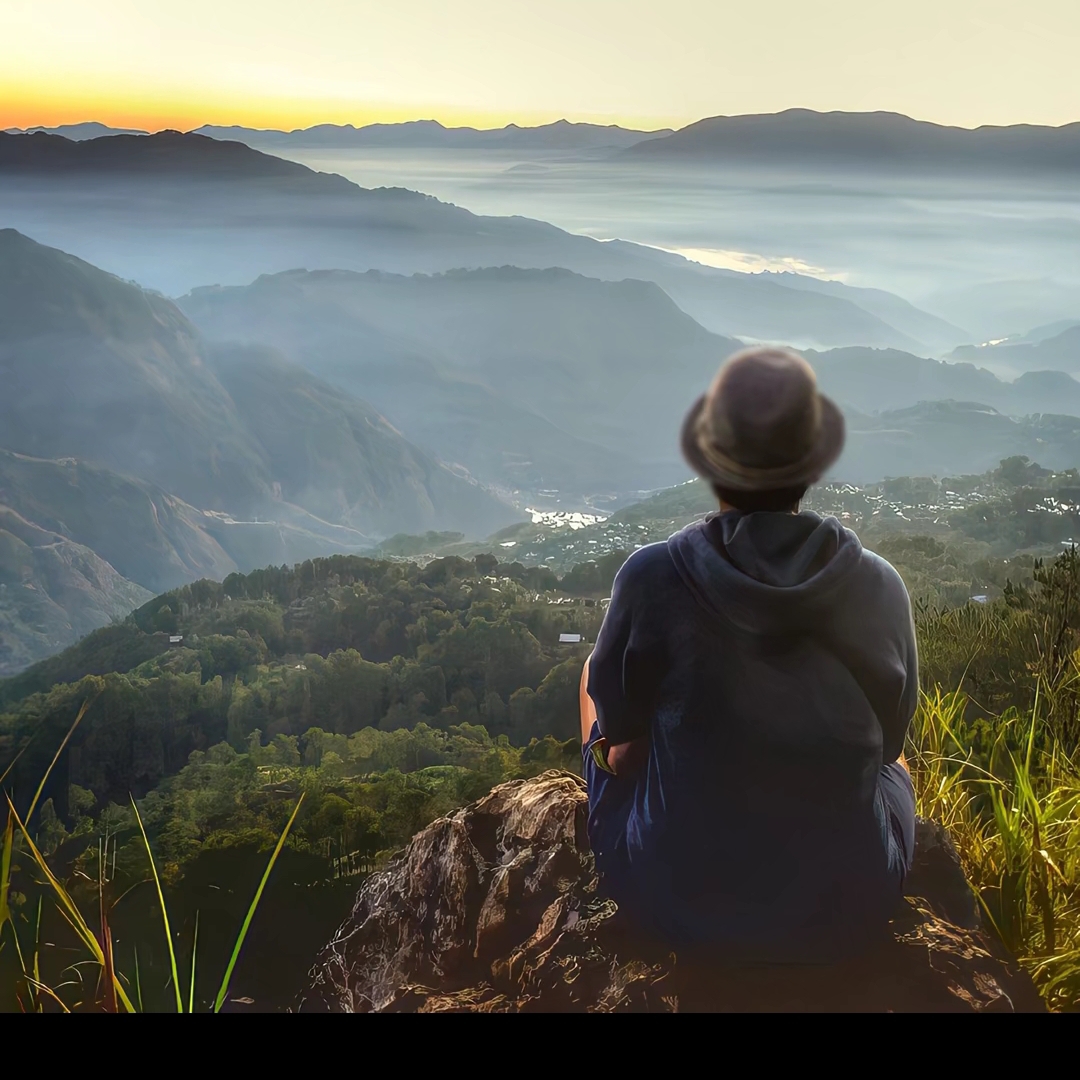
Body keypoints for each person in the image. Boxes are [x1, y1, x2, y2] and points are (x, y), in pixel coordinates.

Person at [580, 345, 917, 963]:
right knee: (899, 777)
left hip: (678, 902)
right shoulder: (878, 585)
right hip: (847, 904)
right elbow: (888, 748)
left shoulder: (651, 578)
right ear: (811, 469)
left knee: (592, 684)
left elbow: (626, 756)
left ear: (713, 463)